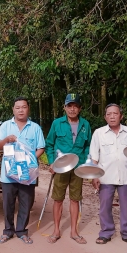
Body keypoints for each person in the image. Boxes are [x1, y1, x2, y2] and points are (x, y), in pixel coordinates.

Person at [89, 103, 127, 248]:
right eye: (109, 114)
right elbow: (94, 156)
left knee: (126, 206)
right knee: (105, 206)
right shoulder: (99, 133)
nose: (112, 116)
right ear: (105, 117)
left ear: (121, 116)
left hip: (125, 175)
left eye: (115, 114)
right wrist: (94, 176)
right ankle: (106, 232)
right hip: (105, 175)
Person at [0, 97, 45, 244]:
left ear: (28, 108)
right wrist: (7, 140)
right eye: (17, 107)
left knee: (26, 202)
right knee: (8, 203)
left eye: (23, 107)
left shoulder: (35, 127)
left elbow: (41, 147)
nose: (21, 110)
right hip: (9, 173)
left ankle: (22, 231)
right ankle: (8, 231)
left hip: (27, 172)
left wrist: (29, 162)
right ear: (13, 109)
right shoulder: (6, 126)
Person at [45, 93, 92, 244]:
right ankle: (56, 230)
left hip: (78, 167)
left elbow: (89, 146)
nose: (72, 109)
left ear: (80, 108)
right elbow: (49, 144)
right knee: (58, 198)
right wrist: (52, 162)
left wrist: (86, 163)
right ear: (64, 107)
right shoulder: (57, 123)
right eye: (69, 106)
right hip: (61, 166)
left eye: (75, 106)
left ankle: (74, 231)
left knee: (75, 199)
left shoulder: (85, 125)